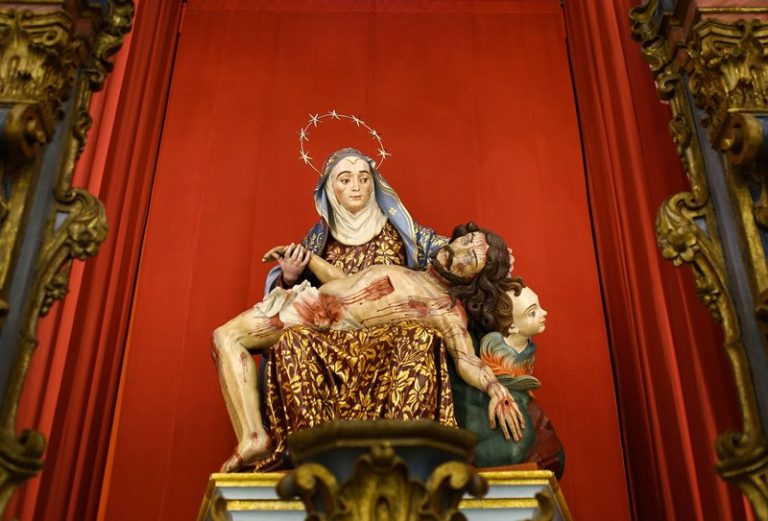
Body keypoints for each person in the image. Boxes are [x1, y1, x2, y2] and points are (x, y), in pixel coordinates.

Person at [212, 223, 525, 472]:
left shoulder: (445, 309)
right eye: (467, 241)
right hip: (308, 301)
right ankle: (253, 435)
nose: (461, 251)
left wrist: (495, 388)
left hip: (318, 322)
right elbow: (349, 281)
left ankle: (254, 437)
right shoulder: (411, 273)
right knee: (224, 337)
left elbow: (466, 358)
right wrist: (311, 259)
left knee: (227, 337)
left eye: (472, 258)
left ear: (475, 279)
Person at [254, 148, 451, 470]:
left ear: (375, 184)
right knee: (290, 342)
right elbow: (296, 299)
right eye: (345, 180)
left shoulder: (403, 231)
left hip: (391, 329)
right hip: (334, 334)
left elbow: (451, 256)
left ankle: (405, 449)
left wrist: (486, 255)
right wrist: (289, 276)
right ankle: (317, 452)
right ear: (331, 189)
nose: (357, 187)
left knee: (421, 335)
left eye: (363, 178)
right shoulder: (317, 240)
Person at [453, 283, 565, 477]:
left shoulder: (520, 350)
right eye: (532, 312)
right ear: (512, 326)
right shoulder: (493, 350)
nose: (544, 313)